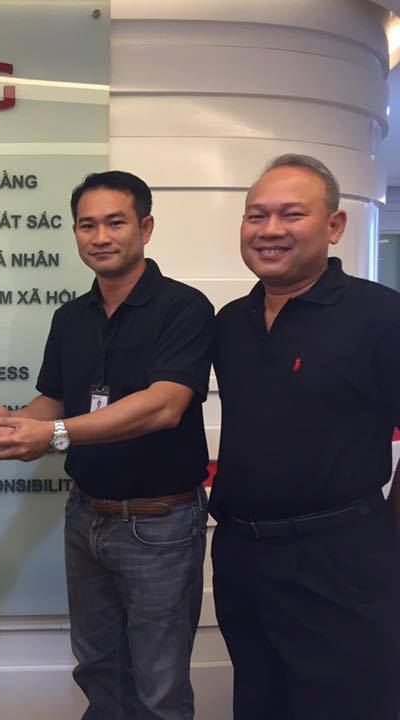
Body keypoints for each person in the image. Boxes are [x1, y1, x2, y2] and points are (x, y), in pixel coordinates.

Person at [0, 171, 214, 719]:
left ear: (145, 228)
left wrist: (53, 434)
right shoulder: (70, 317)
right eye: (87, 225)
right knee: (99, 671)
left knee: (158, 686)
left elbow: (164, 404)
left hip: (159, 524)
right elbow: (56, 400)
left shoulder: (184, 307)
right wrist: (10, 425)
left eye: (115, 223)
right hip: (86, 518)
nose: (100, 237)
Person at [211, 154, 400, 719]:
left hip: (341, 559)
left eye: (291, 214)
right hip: (242, 556)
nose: (269, 230)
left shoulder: (380, 316)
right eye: (256, 215)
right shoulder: (231, 321)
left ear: (334, 226)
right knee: (259, 700)